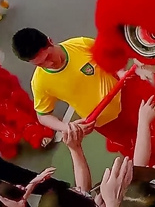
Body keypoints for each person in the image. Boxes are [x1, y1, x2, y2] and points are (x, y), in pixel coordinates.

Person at [12, 28, 145, 163]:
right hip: (106, 123)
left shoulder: (81, 44)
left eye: (48, 57)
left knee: (151, 124)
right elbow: (43, 116)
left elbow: (109, 57)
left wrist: (120, 71)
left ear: (50, 41)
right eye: (40, 64)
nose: (49, 64)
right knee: (133, 142)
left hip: (127, 97)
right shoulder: (39, 83)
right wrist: (67, 127)